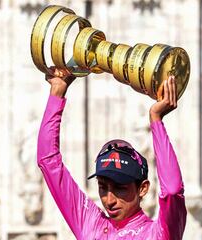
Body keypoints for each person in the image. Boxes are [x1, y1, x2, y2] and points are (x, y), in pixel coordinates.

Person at [37, 67, 186, 240]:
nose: (109, 200)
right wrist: (57, 93)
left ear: (143, 188)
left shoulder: (157, 234)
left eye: (120, 188)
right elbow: (48, 160)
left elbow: (172, 191)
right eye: (103, 187)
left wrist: (156, 120)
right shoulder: (90, 224)